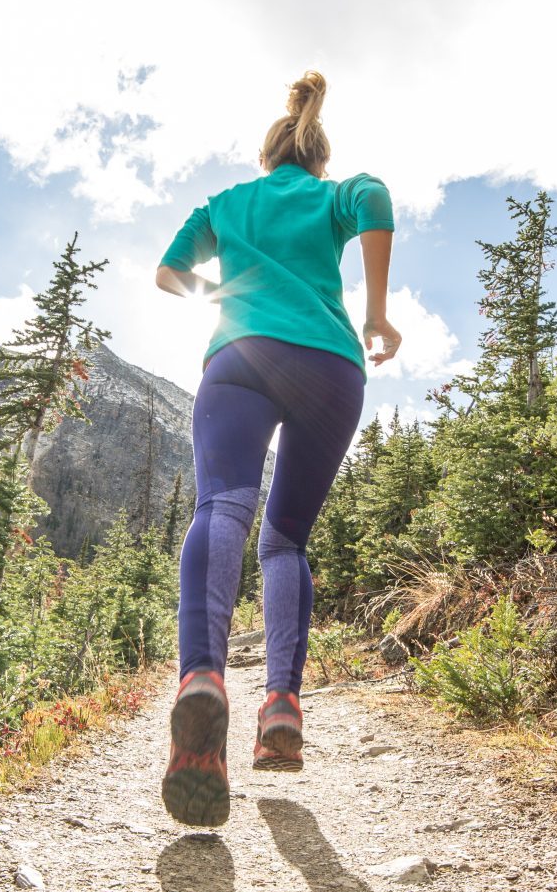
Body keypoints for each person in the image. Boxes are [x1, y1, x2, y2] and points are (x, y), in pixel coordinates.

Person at [153, 71, 400, 827]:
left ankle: (203, 677)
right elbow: (375, 196)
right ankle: (282, 705)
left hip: (242, 358)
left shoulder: (227, 204)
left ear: (266, 157)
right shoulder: (332, 196)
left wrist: (227, 300)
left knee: (223, 507)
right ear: (318, 158)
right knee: (284, 540)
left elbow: (167, 272)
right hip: (332, 368)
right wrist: (377, 314)